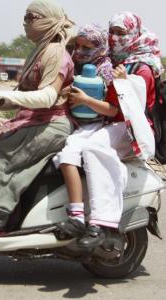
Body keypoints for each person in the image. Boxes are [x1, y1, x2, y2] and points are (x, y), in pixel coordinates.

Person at [0, 0, 75, 237]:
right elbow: (24, 94)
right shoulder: (41, 49)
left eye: (30, 18)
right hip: (34, 120)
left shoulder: (55, 52)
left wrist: (0, 97)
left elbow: (47, 96)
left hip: (50, 124)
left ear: (47, 21)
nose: (24, 23)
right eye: (25, 17)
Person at [56, 12, 163, 248]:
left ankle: (102, 222)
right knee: (70, 152)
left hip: (132, 129)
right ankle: (77, 214)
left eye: (121, 33)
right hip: (113, 123)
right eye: (112, 32)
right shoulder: (115, 62)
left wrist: (124, 82)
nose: (115, 38)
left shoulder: (142, 67)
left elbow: (125, 109)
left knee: (95, 148)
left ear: (134, 35)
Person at [53, 24, 114, 237]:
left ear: (99, 47)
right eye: (76, 45)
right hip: (74, 122)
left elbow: (114, 109)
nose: (79, 51)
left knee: (67, 156)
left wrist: (85, 100)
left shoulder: (105, 70)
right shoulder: (75, 63)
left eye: (86, 47)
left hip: (94, 125)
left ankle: (76, 216)